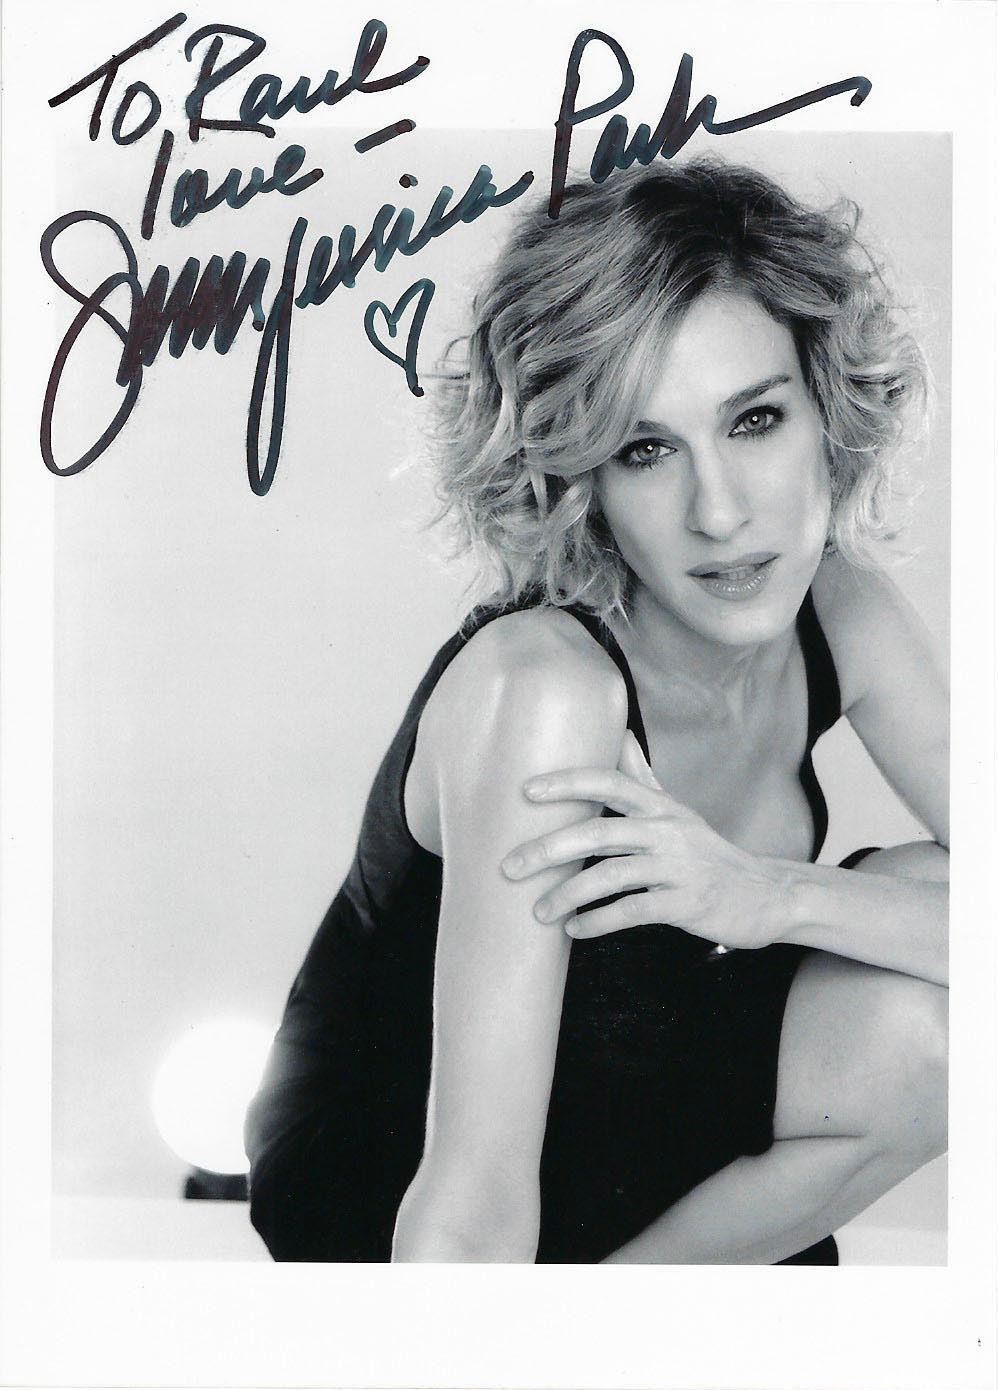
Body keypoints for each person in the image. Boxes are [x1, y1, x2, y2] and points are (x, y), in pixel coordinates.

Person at [244, 157, 948, 1265]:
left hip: (639, 1135)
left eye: (756, 419)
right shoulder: (545, 688)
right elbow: (473, 1185)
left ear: (828, 410)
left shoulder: (842, 610)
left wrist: (764, 894)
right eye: (645, 448)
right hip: (404, 1181)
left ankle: (623, 1319)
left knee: (936, 976)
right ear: (579, 479)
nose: (720, 513)